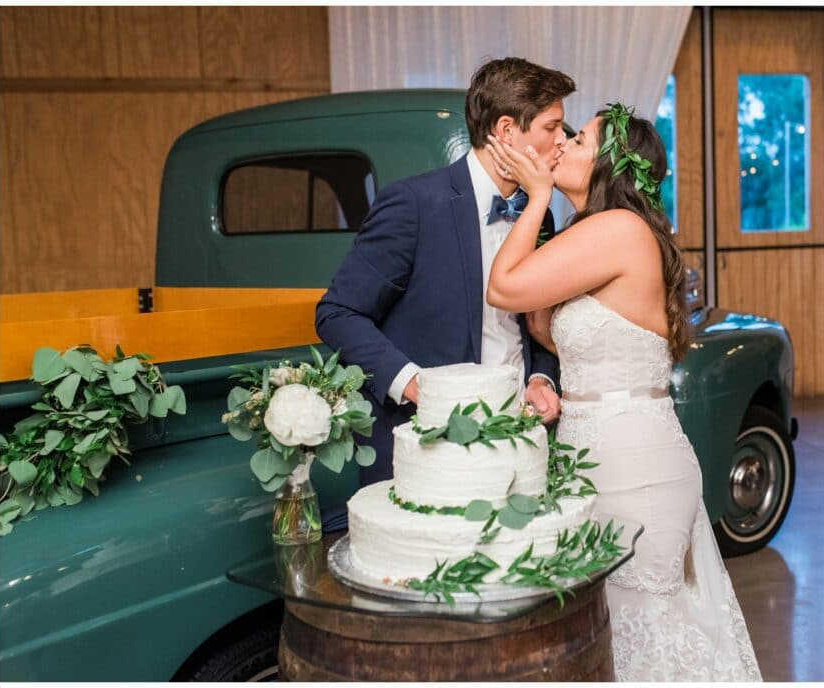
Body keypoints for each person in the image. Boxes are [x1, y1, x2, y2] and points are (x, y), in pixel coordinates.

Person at [484, 103, 762, 681]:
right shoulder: (596, 234)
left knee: (641, 643)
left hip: (637, 468)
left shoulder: (621, 230)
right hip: (588, 458)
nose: (560, 145)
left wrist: (535, 197)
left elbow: (504, 287)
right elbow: (544, 329)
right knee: (606, 642)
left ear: (610, 166)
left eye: (578, 139)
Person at [315, 58, 573, 501]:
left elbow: (535, 322)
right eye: (552, 128)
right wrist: (416, 385)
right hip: (427, 448)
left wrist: (541, 379)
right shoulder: (415, 204)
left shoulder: (540, 212)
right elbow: (338, 313)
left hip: (518, 443)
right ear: (507, 130)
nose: (562, 142)